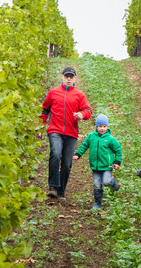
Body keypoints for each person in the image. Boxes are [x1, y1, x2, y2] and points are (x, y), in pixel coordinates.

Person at [39, 66, 92, 201]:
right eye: (66, 76)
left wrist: (81, 114)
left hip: (71, 132)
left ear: (75, 79)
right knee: (56, 153)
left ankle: (61, 191)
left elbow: (88, 111)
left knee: (67, 163)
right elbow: (45, 110)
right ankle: (52, 187)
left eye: (71, 77)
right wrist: (41, 126)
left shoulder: (79, 95)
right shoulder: (53, 93)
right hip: (55, 130)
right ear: (62, 76)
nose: (69, 79)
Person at [73, 114, 122, 210]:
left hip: (107, 166)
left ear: (107, 127)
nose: (102, 129)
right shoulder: (91, 137)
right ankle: (97, 203)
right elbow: (84, 145)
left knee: (106, 181)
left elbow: (118, 150)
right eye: (100, 126)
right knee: (96, 185)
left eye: (104, 126)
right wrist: (78, 154)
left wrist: (117, 162)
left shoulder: (110, 139)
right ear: (96, 126)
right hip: (95, 167)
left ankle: (113, 183)